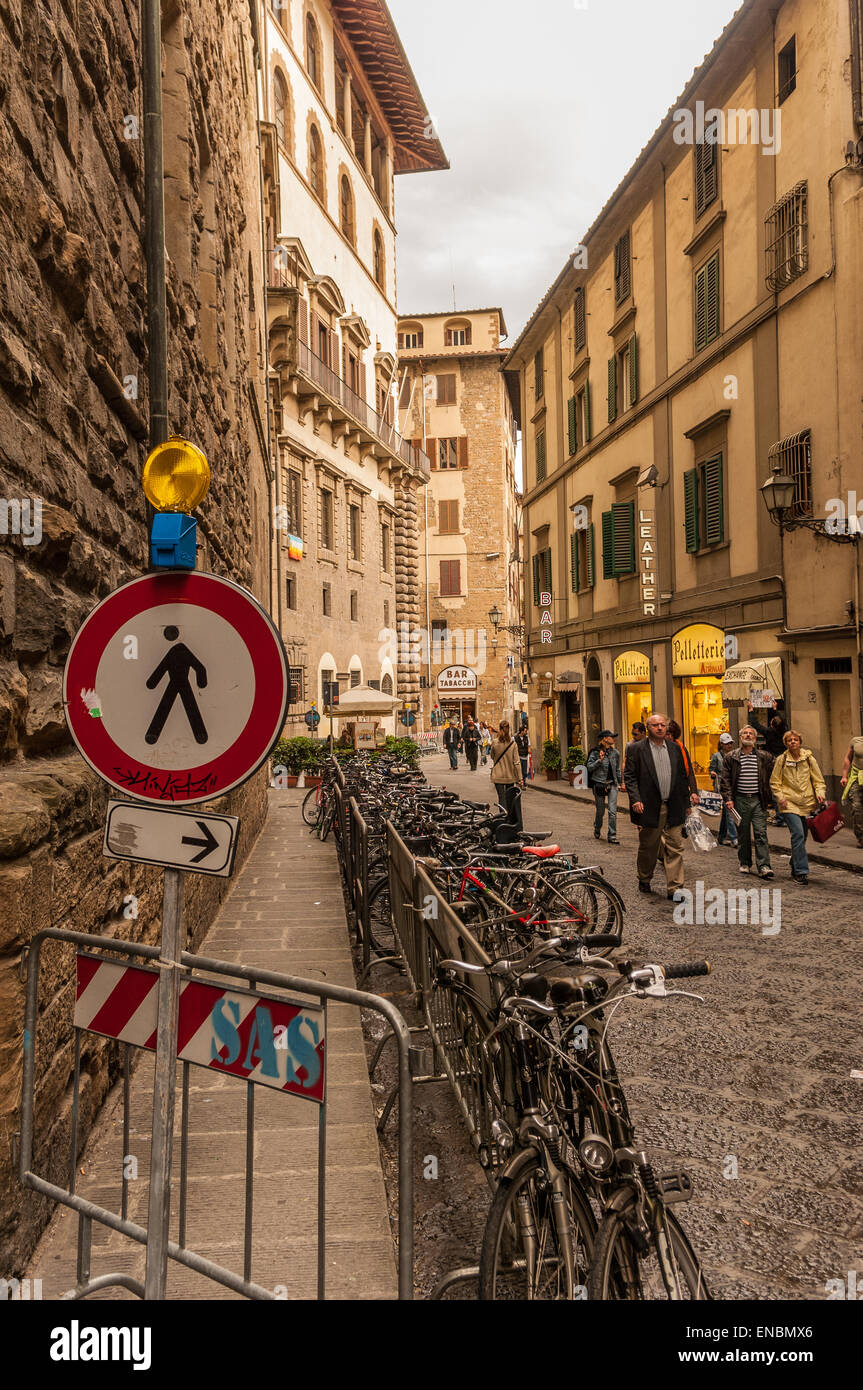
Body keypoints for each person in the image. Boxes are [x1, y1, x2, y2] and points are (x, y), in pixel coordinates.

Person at [624, 712, 700, 899]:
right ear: (647, 728)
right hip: (649, 806)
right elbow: (630, 777)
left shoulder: (675, 749)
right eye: (655, 725)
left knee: (675, 846)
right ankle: (644, 877)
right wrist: (636, 799)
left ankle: (675, 888)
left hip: (673, 805)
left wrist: (687, 803)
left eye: (662, 725)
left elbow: (682, 777)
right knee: (649, 846)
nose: (659, 728)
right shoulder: (637, 749)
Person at [770, 730, 827, 885]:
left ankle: (795, 862)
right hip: (789, 804)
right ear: (786, 743)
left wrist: (820, 793)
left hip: (808, 804)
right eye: (789, 740)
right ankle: (800, 871)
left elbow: (818, 780)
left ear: (800, 742)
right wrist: (781, 798)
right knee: (798, 834)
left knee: (803, 836)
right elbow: (775, 782)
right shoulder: (781, 760)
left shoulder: (809, 759)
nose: (793, 742)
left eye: (795, 740)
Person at [719, 725, 774, 878]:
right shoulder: (731, 757)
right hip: (740, 800)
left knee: (760, 832)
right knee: (743, 833)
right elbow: (725, 780)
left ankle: (764, 866)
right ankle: (745, 862)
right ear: (740, 737)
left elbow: (775, 773)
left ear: (755, 739)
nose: (748, 736)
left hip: (758, 800)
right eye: (745, 733)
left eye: (751, 734)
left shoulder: (764, 757)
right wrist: (728, 799)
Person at [586, 730, 622, 844]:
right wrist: (599, 760)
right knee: (600, 811)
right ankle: (597, 827)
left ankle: (612, 835)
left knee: (612, 811)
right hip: (599, 784)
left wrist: (620, 782)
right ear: (605, 738)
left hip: (612, 784)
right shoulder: (595, 752)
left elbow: (617, 770)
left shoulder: (615, 753)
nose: (614, 739)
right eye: (612, 737)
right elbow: (589, 767)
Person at [490, 719, 524, 830]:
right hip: (510, 776)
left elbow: (492, 756)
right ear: (509, 729)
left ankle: (503, 820)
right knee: (510, 799)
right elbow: (517, 762)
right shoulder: (513, 744)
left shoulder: (495, 742)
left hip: (498, 775)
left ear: (500, 729)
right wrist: (520, 778)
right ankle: (509, 820)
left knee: (501, 798)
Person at [710, 732, 738, 847]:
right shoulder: (716, 756)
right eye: (727, 744)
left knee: (726, 813)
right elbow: (712, 769)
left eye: (730, 743)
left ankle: (721, 837)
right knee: (729, 811)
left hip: (731, 785)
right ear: (721, 744)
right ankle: (734, 838)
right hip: (721, 786)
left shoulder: (734, 755)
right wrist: (712, 773)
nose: (729, 746)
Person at [840, 735, 863, 848]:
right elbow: (848, 758)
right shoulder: (855, 741)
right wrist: (844, 776)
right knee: (856, 807)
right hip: (856, 777)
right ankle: (861, 837)